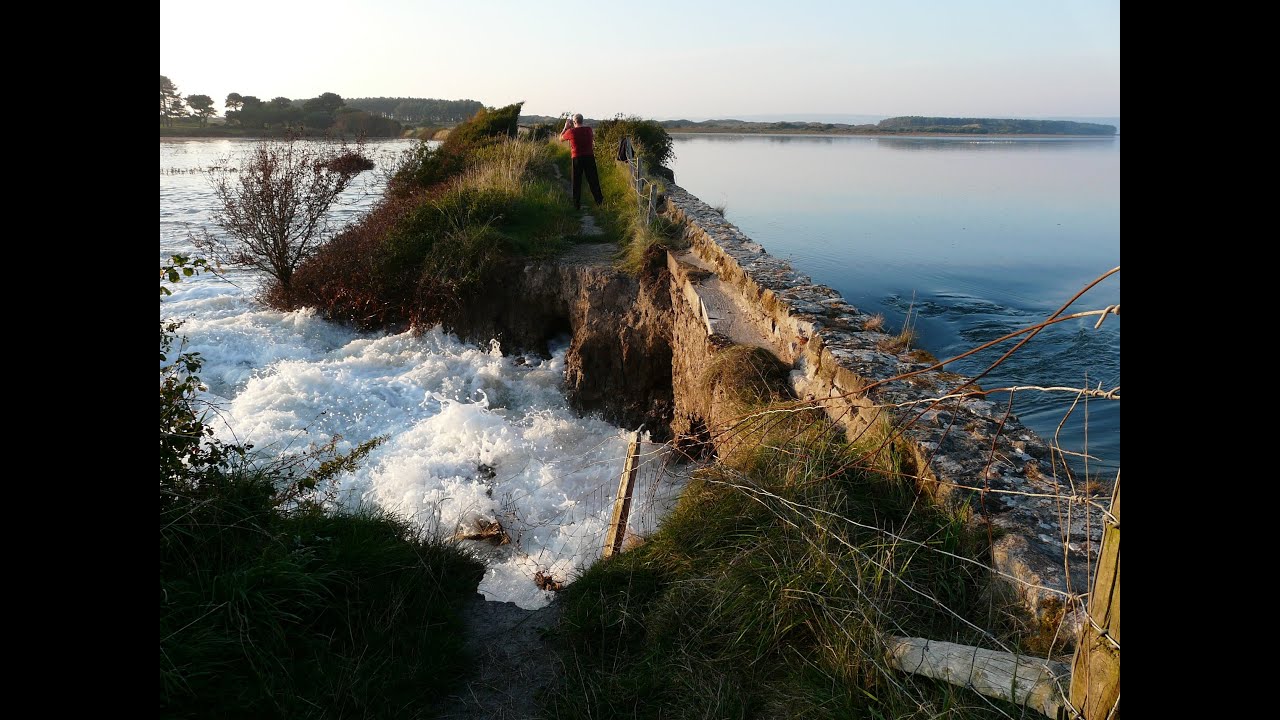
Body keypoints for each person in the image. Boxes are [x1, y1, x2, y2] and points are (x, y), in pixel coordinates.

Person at [560, 113, 604, 211]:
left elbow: (561, 138)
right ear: (582, 120)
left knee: (576, 181)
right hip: (589, 157)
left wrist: (565, 127)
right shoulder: (589, 130)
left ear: (574, 122)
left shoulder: (571, 132)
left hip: (577, 158)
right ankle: (599, 201)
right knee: (593, 180)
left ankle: (576, 205)